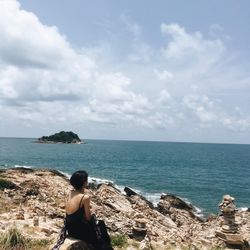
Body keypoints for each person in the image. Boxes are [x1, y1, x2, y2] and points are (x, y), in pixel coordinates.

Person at [65, 170, 113, 250]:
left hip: (70, 229)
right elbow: (88, 218)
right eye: (86, 180)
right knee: (101, 225)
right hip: (80, 231)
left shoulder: (70, 193)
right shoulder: (85, 198)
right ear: (84, 183)